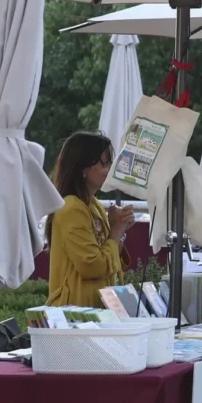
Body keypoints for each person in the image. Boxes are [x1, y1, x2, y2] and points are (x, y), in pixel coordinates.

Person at [45, 131, 136, 308]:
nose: (110, 170)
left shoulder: (94, 205)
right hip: (74, 312)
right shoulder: (72, 208)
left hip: (94, 308)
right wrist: (116, 231)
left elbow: (110, 259)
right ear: (83, 168)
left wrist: (120, 228)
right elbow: (92, 266)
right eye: (105, 163)